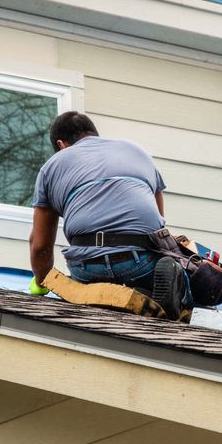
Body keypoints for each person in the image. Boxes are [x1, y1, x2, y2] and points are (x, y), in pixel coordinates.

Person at [28, 111, 188, 318]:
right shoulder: (137, 152)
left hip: (87, 267)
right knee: (185, 277)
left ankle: (126, 292)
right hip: (141, 261)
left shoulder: (51, 168)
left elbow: (39, 245)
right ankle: (159, 292)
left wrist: (42, 281)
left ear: (61, 145)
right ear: (93, 134)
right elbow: (159, 227)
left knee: (82, 289)